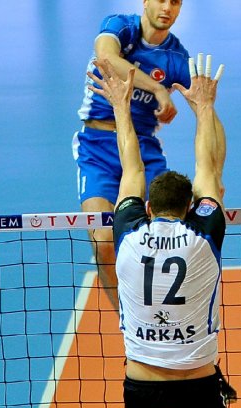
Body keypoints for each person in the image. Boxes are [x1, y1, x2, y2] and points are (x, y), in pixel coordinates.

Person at [89, 53, 233, 408]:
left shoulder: (128, 235)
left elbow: (132, 168)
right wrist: (204, 107)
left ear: (148, 208)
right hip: (198, 385)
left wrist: (121, 107)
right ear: (191, 208)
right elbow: (208, 170)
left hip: (144, 387)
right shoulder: (203, 238)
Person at [73, 0, 202, 310]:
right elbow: (106, 57)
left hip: (144, 150)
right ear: (145, 1)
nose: (167, 8)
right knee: (103, 243)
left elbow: (205, 109)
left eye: (175, 2)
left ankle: (168, 311)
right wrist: (157, 89)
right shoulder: (120, 27)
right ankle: (127, 319)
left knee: (170, 233)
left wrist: (215, 170)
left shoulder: (177, 59)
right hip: (97, 148)